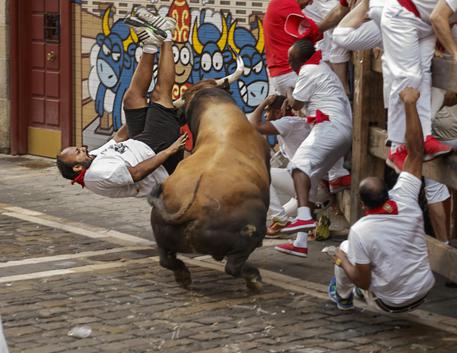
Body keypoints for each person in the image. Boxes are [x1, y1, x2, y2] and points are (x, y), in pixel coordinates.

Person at [56, 8, 188, 198]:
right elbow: (137, 173)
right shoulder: (98, 174)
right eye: (78, 151)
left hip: (141, 141)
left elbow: (118, 138)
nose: (83, 148)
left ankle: (150, 45)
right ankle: (167, 34)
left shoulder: (93, 158)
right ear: (77, 167)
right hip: (159, 154)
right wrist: (170, 151)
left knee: (131, 99)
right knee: (160, 96)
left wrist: (146, 113)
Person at [328, 87, 435, 312]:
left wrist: (341, 259)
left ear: (364, 204)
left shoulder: (360, 230)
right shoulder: (404, 197)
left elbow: (363, 280)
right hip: (425, 289)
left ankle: (343, 296)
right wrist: (409, 104)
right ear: (388, 191)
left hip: (392, 303)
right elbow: (416, 152)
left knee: (345, 249)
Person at [274, 37, 352, 257]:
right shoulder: (321, 68)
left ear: (301, 60)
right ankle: (300, 243)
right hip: (339, 130)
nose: (290, 65)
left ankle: (304, 216)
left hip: (329, 127)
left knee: (298, 168)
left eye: (292, 61)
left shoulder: (309, 70)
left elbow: (296, 103)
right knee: (310, 181)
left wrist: (288, 91)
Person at [249, 95, 350, 238]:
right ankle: (297, 222)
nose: (265, 114)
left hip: (311, 187)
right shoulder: (298, 122)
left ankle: (282, 218)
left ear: (278, 112)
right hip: (317, 190)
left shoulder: (288, 123)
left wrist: (264, 101)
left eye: (268, 110)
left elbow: (253, 123)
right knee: (275, 228)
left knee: (259, 173)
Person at [381, 0, 452, 172]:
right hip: (402, 15)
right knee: (408, 77)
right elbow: (438, 16)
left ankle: (425, 136)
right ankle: (396, 147)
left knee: (424, 77)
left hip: (425, 23)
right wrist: (455, 52)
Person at [263, 0, 317, 96]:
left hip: (284, 73)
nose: (311, 3)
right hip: (289, 72)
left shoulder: (280, 3)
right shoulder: (286, 4)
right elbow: (311, 30)